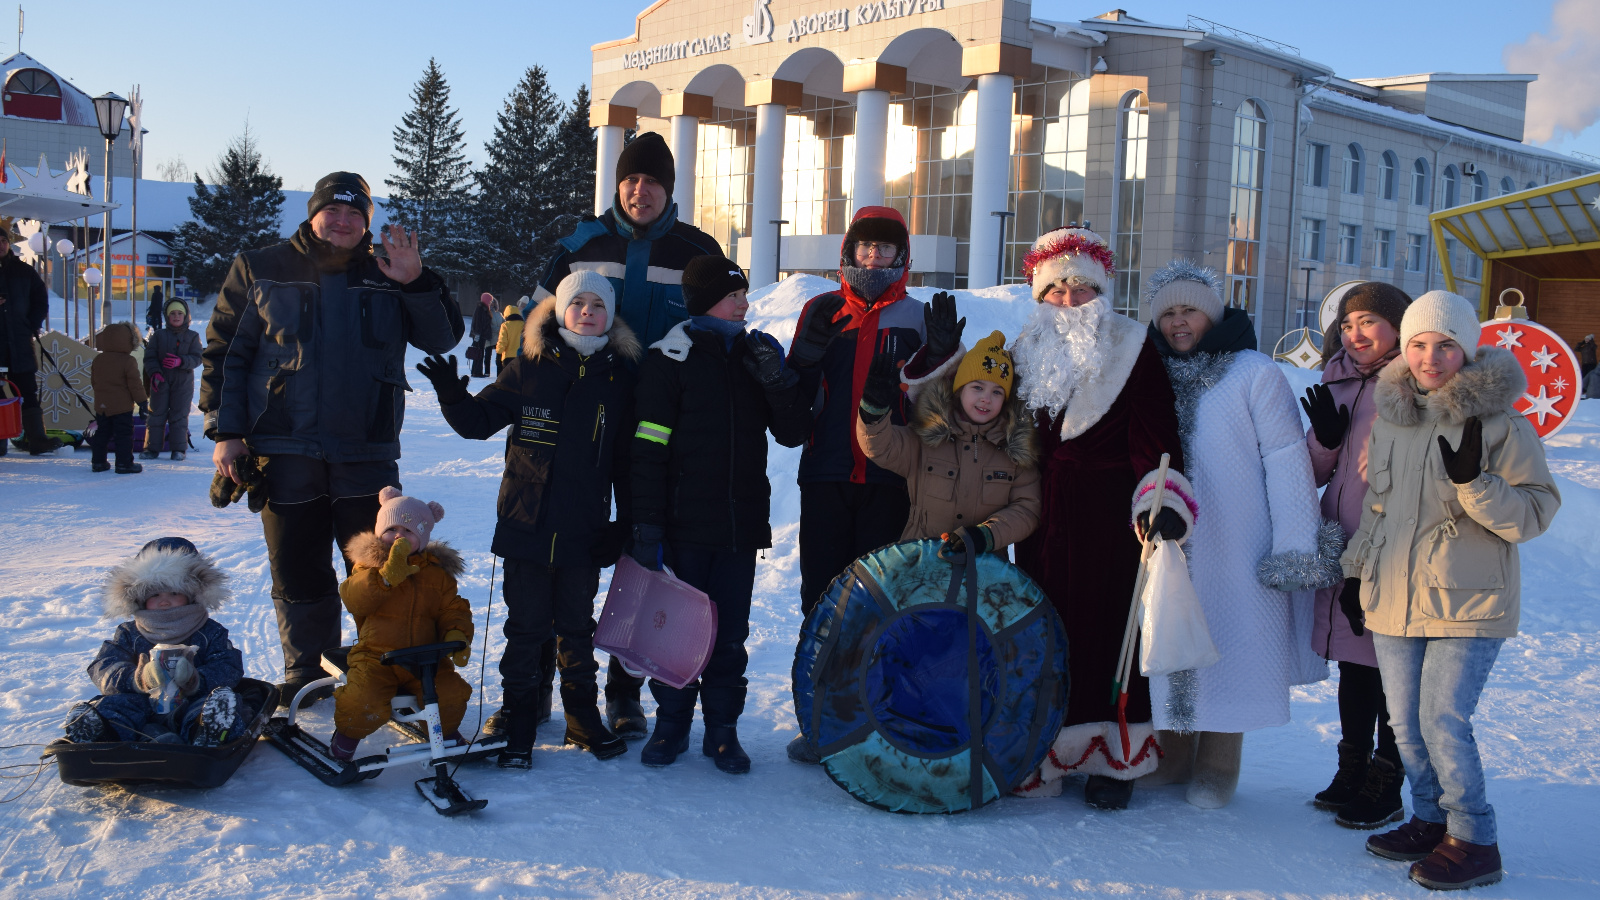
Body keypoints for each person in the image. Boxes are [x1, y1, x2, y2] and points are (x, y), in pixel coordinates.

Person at [200, 171, 464, 708]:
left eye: (355, 214)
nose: (342, 222)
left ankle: (387, 667)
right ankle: (307, 669)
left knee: (383, 563)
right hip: (284, 444)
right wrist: (226, 431)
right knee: (298, 563)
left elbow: (442, 338)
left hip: (366, 446)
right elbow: (227, 352)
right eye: (333, 211)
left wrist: (416, 282)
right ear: (313, 213)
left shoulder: (391, 270)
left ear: (366, 222)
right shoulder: (261, 266)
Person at [1343, 290, 1559, 891]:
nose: (1430, 357)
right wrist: (1356, 572)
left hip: (1468, 600)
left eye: (1445, 345)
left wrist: (1476, 484)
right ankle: (1429, 818)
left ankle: (1475, 838)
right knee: (1406, 724)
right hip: (1393, 596)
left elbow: (1535, 514)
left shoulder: (1500, 423)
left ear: (1467, 350)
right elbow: (1380, 509)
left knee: (1443, 720)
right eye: (1417, 344)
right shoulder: (1393, 419)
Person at [534, 132, 725, 736]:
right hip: (581, 427)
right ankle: (543, 678)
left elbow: (719, 325)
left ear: (670, 189)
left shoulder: (696, 250)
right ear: (617, 184)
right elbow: (533, 321)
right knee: (563, 550)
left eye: (653, 182)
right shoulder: (583, 243)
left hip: (659, 431)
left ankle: (624, 688)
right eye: (631, 180)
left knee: (645, 553)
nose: (640, 192)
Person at [1132, 261, 1337, 809]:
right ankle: (1173, 758)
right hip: (1169, 538)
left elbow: (1287, 459)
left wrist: (1294, 543)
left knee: (1233, 643)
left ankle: (1219, 763)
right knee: (1172, 639)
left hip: (1239, 538)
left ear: (1212, 313)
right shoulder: (1148, 372)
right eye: (1168, 313)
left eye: (1189, 311)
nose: (1179, 324)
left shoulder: (1254, 373)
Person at [415, 270, 638, 768]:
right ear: (560, 311)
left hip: (585, 528)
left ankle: (582, 717)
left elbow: (626, 461)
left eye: (596, 304)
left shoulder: (619, 378)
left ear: (608, 314)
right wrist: (453, 393)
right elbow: (476, 425)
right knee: (526, 628)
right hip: (526, 525)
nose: (586, 310)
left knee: (578, 629)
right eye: (576, 302)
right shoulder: (528, 366)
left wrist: (622, 524)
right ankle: (518, 716)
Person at [1007, 228, 1188, 811]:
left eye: (1081, 288)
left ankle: (1114, 757)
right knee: (1040, 631)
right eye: (1056, 289)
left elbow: (1156, 436)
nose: (1067, 299)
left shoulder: (1134, 345)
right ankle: (1041, 751)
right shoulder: (1022, 348)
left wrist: (1156, 506)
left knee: (1111, 633)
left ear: (1102, 291)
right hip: (1039, 514)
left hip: (1110, 517)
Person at [785, 206, 965, 763]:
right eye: (865, 247)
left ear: (901, 256)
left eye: (885, 249)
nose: (873, 257)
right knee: (823, 598)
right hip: (826, 474)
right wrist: (806, 358)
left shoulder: (915, 316)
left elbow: (939, 408)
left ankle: (878, 714)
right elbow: (793, 402)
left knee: (882, 600)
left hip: (890, 479)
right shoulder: (822, 310)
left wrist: (938, 356)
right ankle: (821, 716)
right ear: (848, 250)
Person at [629, 256, 812, 773]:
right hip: (684, 526)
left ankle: (723, 732)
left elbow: (793, 432)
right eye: (735, 296)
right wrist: (647, 523)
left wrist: (778, 383)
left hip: (738, 526)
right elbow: (647, 447)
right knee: (676, 633)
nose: (746, 304)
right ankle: (671, 728)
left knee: (730, 636)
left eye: (745, 295)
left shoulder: (755, 354)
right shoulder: (670, 358)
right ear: (706, 299)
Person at [1300, 281, 1413, 828]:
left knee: (1392, 666)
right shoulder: (1337, 379)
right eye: (1347, 325)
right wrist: (1325, 438)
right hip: (1340, 541)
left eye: (1367, 321)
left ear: (1398, 325)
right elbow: (1314, 472)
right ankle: (1352, 767)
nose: (1355, 333)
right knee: (1354, 663)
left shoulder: (1416, 384)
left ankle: (1387, 778)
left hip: (1393, 546)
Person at [856, 330, 1041, 560]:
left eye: (997, 392)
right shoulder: (928, 436)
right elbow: (880, 448)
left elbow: (1027, 508)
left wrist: (987, 535)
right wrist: (873, 409)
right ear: (959, 388)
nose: (986, 398)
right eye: (977, 387)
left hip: (985, 570)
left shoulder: (1015, 451)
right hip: (920, 563)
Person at [329, 486, 473, 761]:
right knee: (362, 699)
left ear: (423, 537)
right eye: (392, 529)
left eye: (409, 532)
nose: (399, 536)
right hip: (376, 656)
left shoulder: (436, 575)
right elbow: (354, 599)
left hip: (426, 659)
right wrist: (384, 577)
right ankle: (346, 737)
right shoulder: (368, 566)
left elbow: (452, 609)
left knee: (451, 693)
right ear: (380, 530)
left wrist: (457, 633)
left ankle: (444, 730)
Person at [64, 537, 244, 748]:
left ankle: (205, 731)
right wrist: (138, 679)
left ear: (193, 595)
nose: (164, 601)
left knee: (219, 703)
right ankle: (100, 734)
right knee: (113, 706)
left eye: (175, 593)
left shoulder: (208, 631)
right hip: (141, 703)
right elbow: (104, 666)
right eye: (155, 594)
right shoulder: (130, 633)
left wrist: (197, 680)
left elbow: (228, 666)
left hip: (191, 702)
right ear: (140, 598)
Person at [0, 219, 61, 456]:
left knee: (27, 391)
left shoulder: (24, 271)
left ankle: (37, 439)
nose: (1, 246)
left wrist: (30, 325)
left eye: (4, 241)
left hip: (19, 343)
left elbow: (40, 301)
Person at [141, 298, 202, 461]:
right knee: (156, 414)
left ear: (185, 316)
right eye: (172, 313)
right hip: (160, 381)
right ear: (167, 317)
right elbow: (149, 357)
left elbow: (197, 358)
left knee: (179, 415)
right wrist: (154, 373)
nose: (176, 316)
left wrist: (181, 361)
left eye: (179, 313)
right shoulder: (159, 336)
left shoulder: (193, 336)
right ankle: (151, 449)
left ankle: (178, 449)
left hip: (183, 383)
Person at [88, 321, 148, 474]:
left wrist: (102, 398)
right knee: (124, 436)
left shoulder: (98, 359)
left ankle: (98, 462)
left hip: (102, 406)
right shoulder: (128, 361)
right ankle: (124, 463)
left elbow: (94, 381)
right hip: (122, 407)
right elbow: (135, 384)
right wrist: (142, 402)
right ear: (130, 340)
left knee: (102, 434)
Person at [469, 293, 496, 378]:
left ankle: (475, 371)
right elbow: (477, 323)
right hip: (480, 335)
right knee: (479, 353)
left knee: (478, 353)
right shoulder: (481, 309)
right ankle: (477, 372)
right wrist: (477, 335)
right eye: (490, 300)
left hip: (481, 335)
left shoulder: (483, 308)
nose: (491, 302)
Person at [495, 303, 524, 376]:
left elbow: (502, 341)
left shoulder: (505, 325)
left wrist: (498, 353)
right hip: (521, 356)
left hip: (507, 357)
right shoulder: (524, 324)